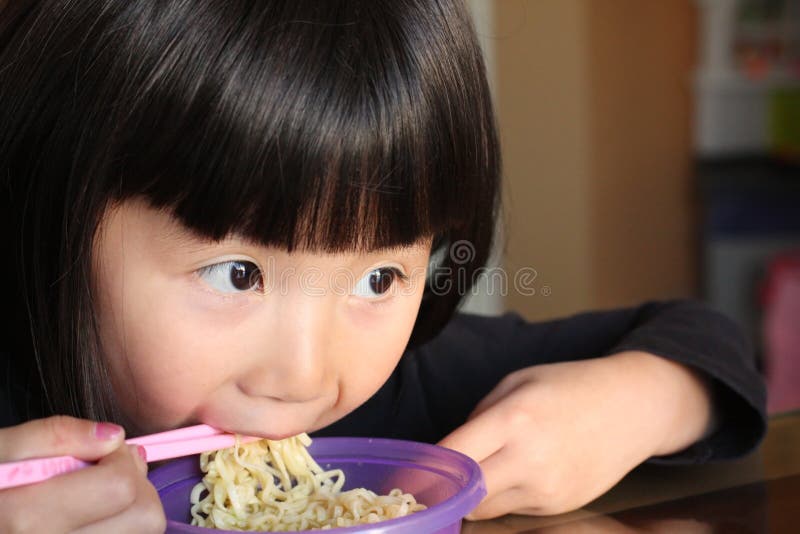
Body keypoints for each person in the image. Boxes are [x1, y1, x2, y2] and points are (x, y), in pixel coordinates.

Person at [0, 1, 765, 532]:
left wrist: (633, 404)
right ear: (56, 222)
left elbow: (701, 338)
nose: (304, 378)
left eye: (377, 280)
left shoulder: (409, 392)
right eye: (237, 274)